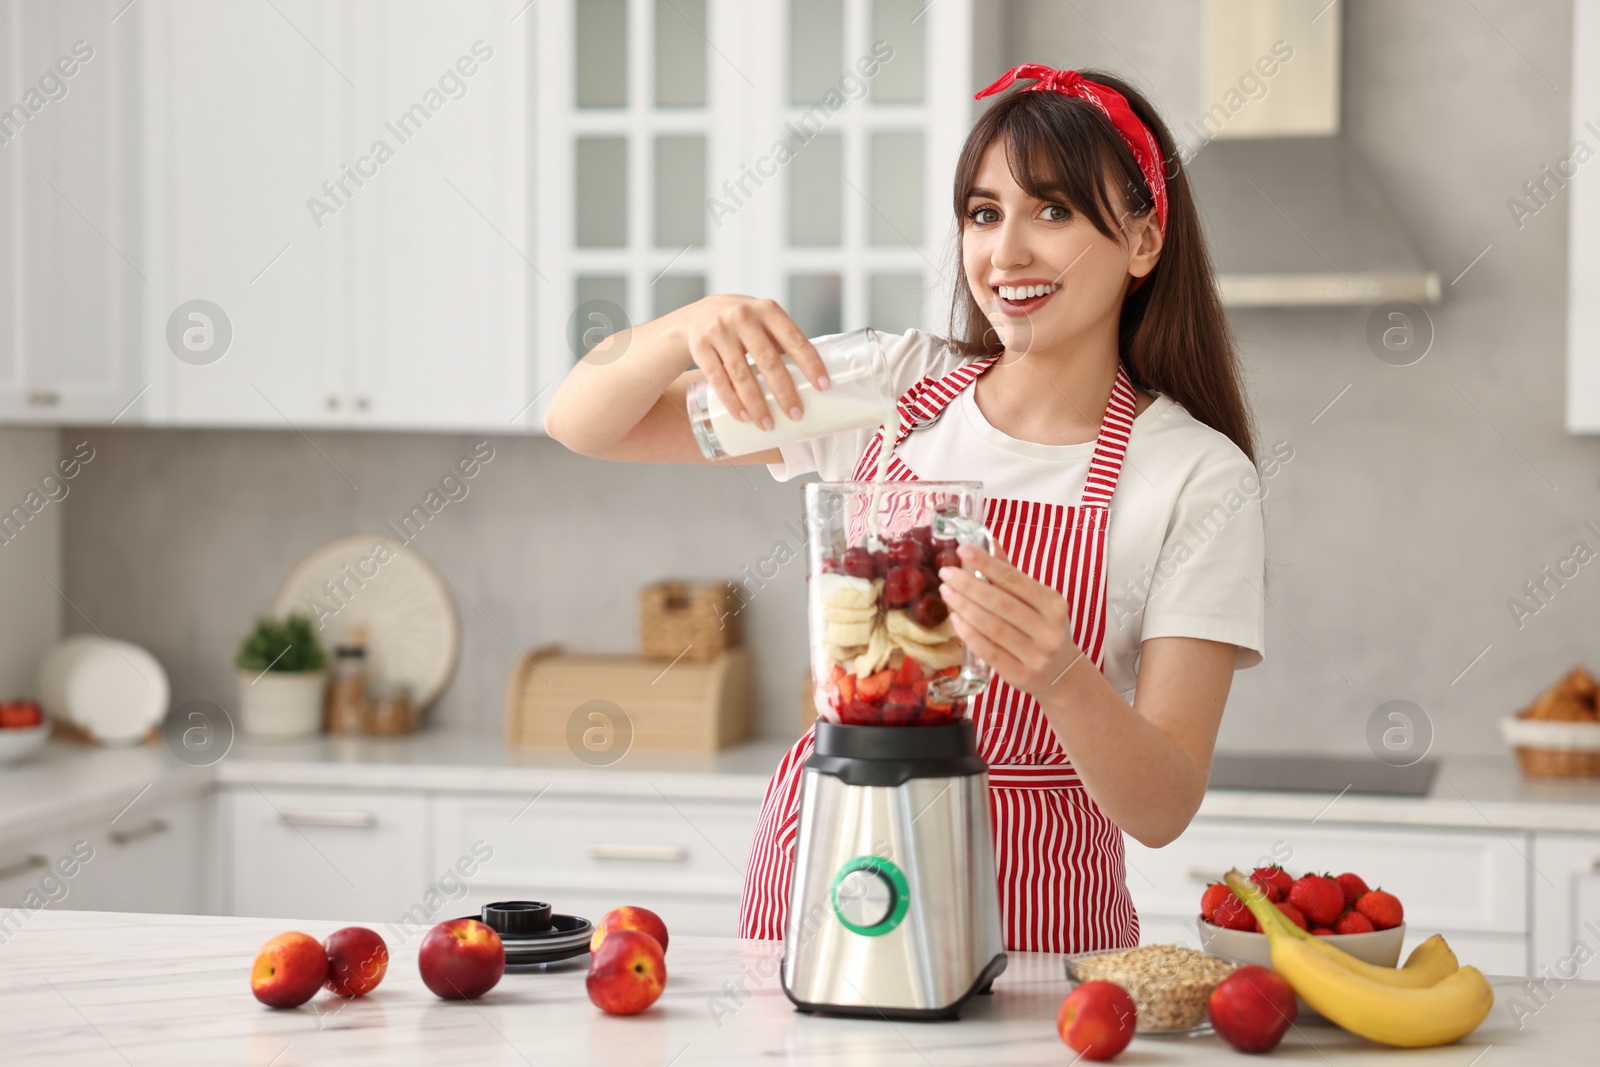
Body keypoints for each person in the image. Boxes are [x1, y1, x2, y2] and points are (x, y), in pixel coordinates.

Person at [543, 64, 1266, 954]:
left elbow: (1162, 808)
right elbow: (585, 422)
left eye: (1054, 211)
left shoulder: (1196, 476)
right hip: (835, 869)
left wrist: (1061, 675)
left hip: (1036, 928)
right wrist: (684, 326)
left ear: (1144, 241)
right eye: (984, 213)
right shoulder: (889, 390)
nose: (1006, 254)